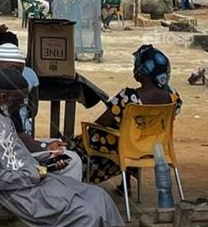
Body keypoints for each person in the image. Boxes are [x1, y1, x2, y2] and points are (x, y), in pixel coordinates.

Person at [0, 69, 123, 227]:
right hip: (18, 191)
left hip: (34, 178)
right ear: (3, 96)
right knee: (86, 216)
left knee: (100, 198)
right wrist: (29, 175)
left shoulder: (1, 111)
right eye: (20, 100)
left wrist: (45, 159)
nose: (22, 104)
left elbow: (16, 153)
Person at [68, 44, 182, 185]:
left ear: (143, 71)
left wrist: (88, 130)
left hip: (128, 147)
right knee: (124, 133)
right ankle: (124, 182)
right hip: (155, 146)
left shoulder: (127, 97)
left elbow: (103, 122)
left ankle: (78, 180)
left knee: (83, 141)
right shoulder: (174, 97)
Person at [0, 38, 82, 180]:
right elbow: (19, 139)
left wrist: (45, 146)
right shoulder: (2, 97)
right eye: (13, 69)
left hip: (8, 155)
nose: (17, 74)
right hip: (8, 164)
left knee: (58, 148)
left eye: (20, 71)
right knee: (72, 159)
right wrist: (45, 149)